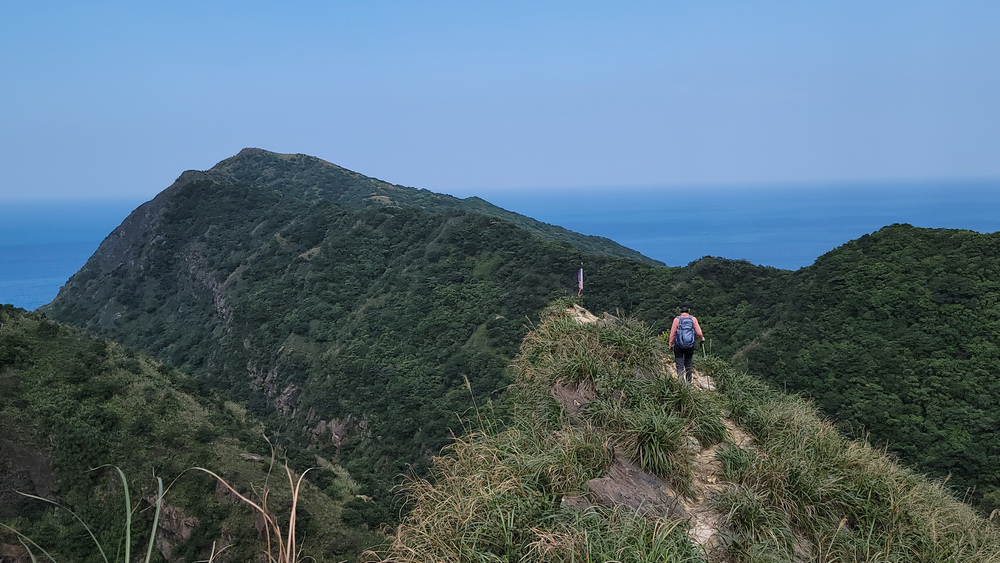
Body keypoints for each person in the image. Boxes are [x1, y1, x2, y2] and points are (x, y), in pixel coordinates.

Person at [668, 304, 704, 384]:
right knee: (688, 363)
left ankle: (681, 383)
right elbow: (699, 333)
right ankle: (689, 383)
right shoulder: (693, 319)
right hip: (690, 345)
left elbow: (672, 333)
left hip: (678, 345)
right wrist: (701, 340)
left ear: (680, 311)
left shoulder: (677, 319)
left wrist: (670, 344)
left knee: (679, 364)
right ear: (689, 310)